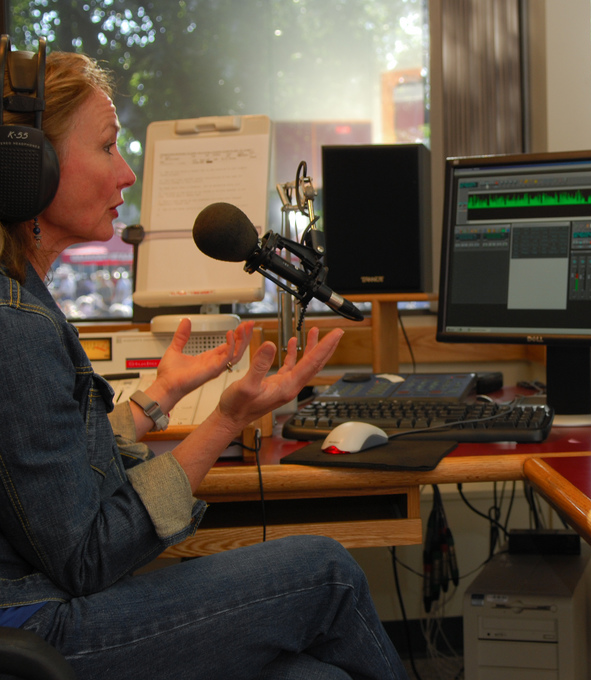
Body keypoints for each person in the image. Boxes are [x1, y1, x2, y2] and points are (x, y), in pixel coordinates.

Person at [0, 48, 406, 679]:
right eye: (108, 148)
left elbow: (36, 484)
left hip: (30, 613)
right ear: (31, 168)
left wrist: (152, 401)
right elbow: (88, 555)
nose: (128, 174)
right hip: (38, 631)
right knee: (329, 574)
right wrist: (225, 422)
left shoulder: (19, 301)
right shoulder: (16, 326)